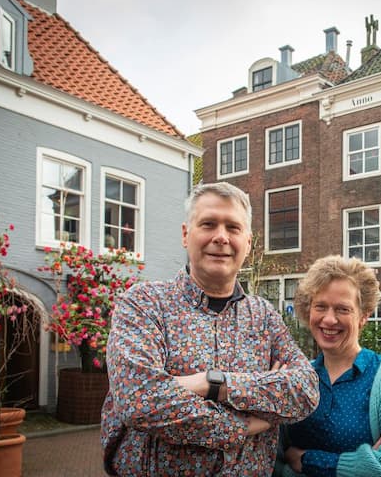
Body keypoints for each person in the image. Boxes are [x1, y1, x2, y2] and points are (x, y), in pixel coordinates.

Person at [101, 182, 320, 476]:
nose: (221, 237)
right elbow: (139, 400)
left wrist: (210, 383)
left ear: (248, 242)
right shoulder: (144, 304)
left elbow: (305, 391)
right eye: (208, 224)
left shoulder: (264, 316)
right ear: (185, 234)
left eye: (233, 227)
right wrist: (245, 424)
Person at [275, 255, 381, 477]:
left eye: (342, 309)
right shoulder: (296, 376)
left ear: (363, 316)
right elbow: (271, 457)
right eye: (320, 306)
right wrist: (364, 465)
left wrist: (306, 461)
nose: (329, 319)